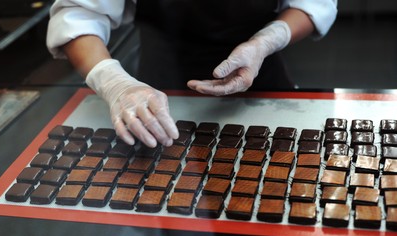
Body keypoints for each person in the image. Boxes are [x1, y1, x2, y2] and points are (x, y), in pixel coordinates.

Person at [47, 0, 337, 148]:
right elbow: (77, 15)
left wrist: (266, 41)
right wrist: (115, 83)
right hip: (157, 97)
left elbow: (312, 4)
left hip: (262, 86)